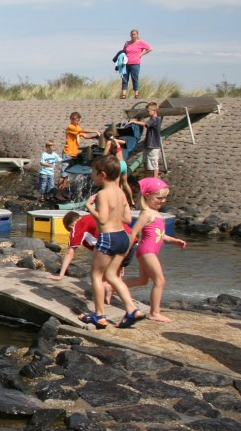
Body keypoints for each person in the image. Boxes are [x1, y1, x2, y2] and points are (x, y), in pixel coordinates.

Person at [80, 154, 143, 329]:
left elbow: (102, 220)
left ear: (103, 174)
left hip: (108, 237)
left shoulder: (103, 194)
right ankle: (132, 309)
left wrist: (88, 207)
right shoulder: (121, 193)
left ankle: (99, 316)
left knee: (96, 275)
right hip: (124, 237)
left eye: (94, 173)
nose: (93, 176)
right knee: (112, 276)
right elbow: (128, 218)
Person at [123, 177, 187, 322]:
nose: (163, 201)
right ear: (147, 196)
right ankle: (154, 312)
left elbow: (158, 233)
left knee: (142, 280)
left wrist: (173, 240)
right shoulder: (146, 213)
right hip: (147, 251)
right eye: (159, 198)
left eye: (165, 198)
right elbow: (133, 232)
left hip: (149, 251)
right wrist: (125, 250)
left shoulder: (155, 213)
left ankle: (113, 286)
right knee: (160, 281)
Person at [48, 211, 101, 281]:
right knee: (114, 276)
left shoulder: (78, 225)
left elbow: (70, 253)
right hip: (118, 238)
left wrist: (60, 275)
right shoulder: (91, 217)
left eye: (71, 230)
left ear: (71, 226)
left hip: (109, 246)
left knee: (96, 275)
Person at [57, 112, 99, 195]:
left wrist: (95, 136)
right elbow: (82, 130)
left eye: (78, 121)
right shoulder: (71, 127)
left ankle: (62, 192)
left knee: (67, 175)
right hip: (67, 153)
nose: (78, 122)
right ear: (71, 119)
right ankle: (58, 193)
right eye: (76, 120)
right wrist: (95, 131)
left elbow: (85, 136)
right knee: (63, 174)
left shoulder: (76, 127)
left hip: (73, 154)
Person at [128, 102, 164, 178]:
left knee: (153, 164)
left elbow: (145, 124)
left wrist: (134, 121)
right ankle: (147, 178)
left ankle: (155, 179)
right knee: (145, 162)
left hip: (153, 145)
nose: (147, 113)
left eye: (149, 111)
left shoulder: (155, 119)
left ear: (154, 111)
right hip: (148, 144)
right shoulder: (152, 119)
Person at [101, 127, 134, 205]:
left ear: (105, 137)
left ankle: (119, 202)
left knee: (116, 186)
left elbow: (104, 155)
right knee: (125, 184)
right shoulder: (115, 141)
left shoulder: (109, 142)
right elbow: (123, 142)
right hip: (123, 164)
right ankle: (132, 201)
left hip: (117, 166)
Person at [118, 29, 152, 99]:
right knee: (124, 79)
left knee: (135, 78)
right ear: (130, 35)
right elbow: (124, 51)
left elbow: (150, 48)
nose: (133, 36)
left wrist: (142, 54)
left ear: (137, 35)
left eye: (134, 34)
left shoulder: (141, 42)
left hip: (135, 63)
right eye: (132, 34)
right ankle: (124, 94)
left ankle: (136, 94)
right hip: (126, 63)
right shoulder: (127, 43)